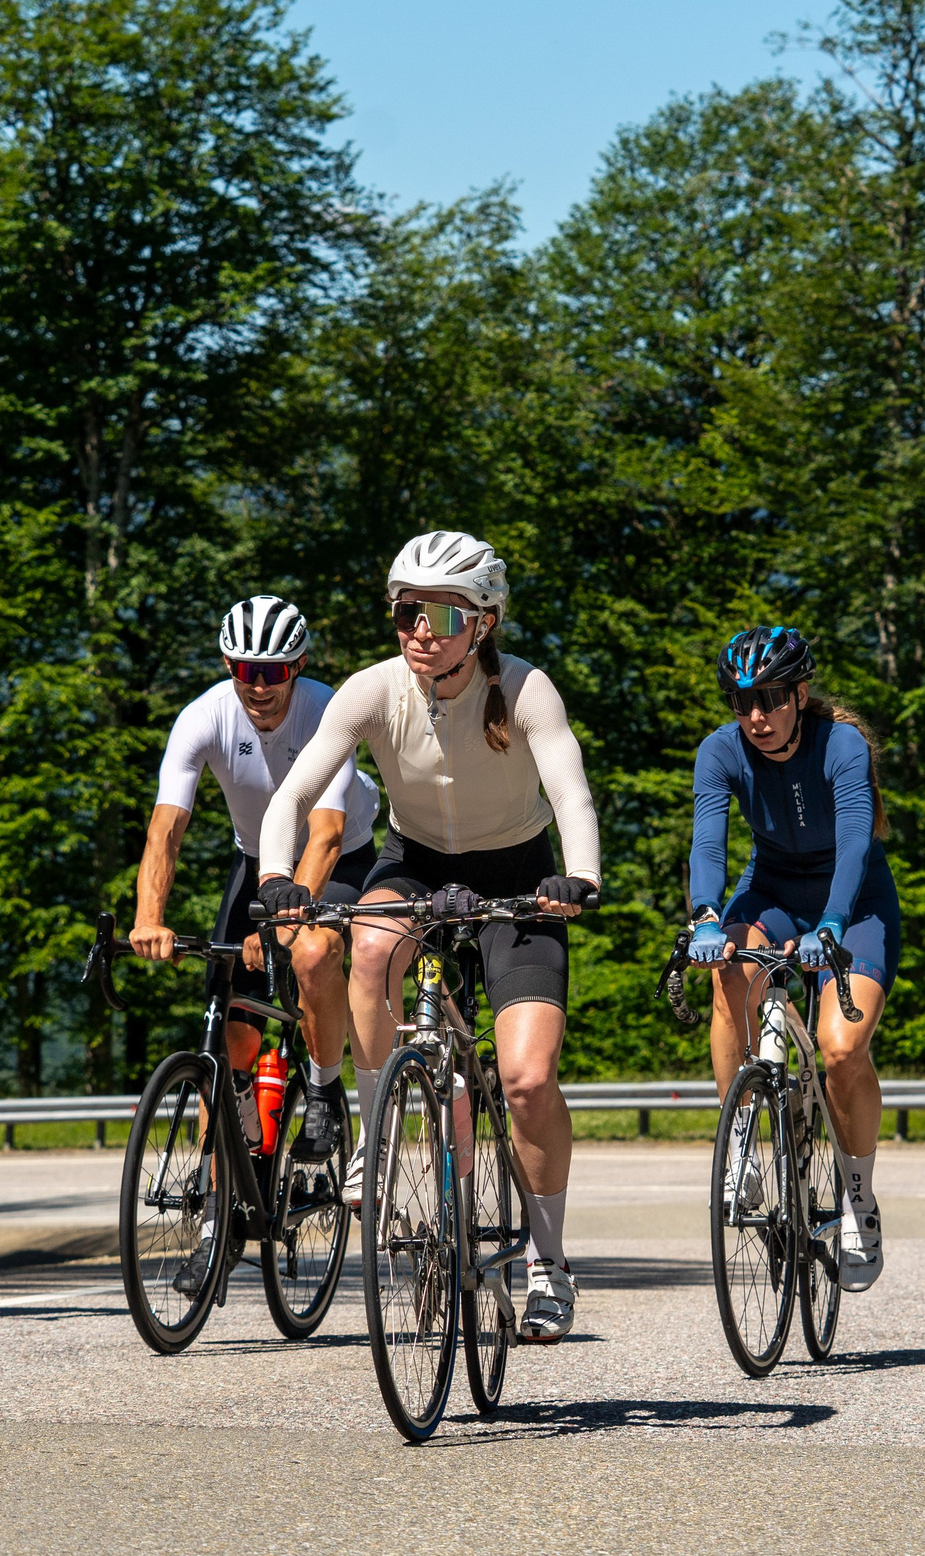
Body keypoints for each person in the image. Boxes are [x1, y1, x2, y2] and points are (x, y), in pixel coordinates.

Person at [255, 531, 600, 1343]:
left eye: (440, 612)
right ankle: (376, 1140)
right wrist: (277, 874)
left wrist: (577, 876)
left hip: (519, 875)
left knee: (525, 1080)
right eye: (406, 609)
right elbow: (297, 787)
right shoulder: (374, 690)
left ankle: (547, 1265)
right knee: (368, 947)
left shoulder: (524, 690)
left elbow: (572, 789)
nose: (418, 628)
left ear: (482, 622)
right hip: (415, 863)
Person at [685, 626, 900, 1293]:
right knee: (730, 970)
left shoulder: (842, 744)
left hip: (853, 901)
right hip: (774, 891)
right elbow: (709, 843)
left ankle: (858, 1195)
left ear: (800, 695)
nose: (755, 716)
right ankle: (742, 1141)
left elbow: (857, 843)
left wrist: (833, 921)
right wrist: (705, 913)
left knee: (840, 1051)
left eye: (771, 699)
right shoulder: (720, 751)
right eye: (741, 700)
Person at [130, 594, 381, 1163]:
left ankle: (322, 1089)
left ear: (298, 666)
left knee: (313, 955)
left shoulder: (326, 711)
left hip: (341, 860)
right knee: (230, 1038)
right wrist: (149, 919)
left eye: (273, 672)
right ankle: (219, 1208)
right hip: (253, 863)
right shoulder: (203, 716)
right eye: (246, 670)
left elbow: (327, 835)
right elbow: (165, 831)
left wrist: (280, 932)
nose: (259, 686)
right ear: (228, 666)